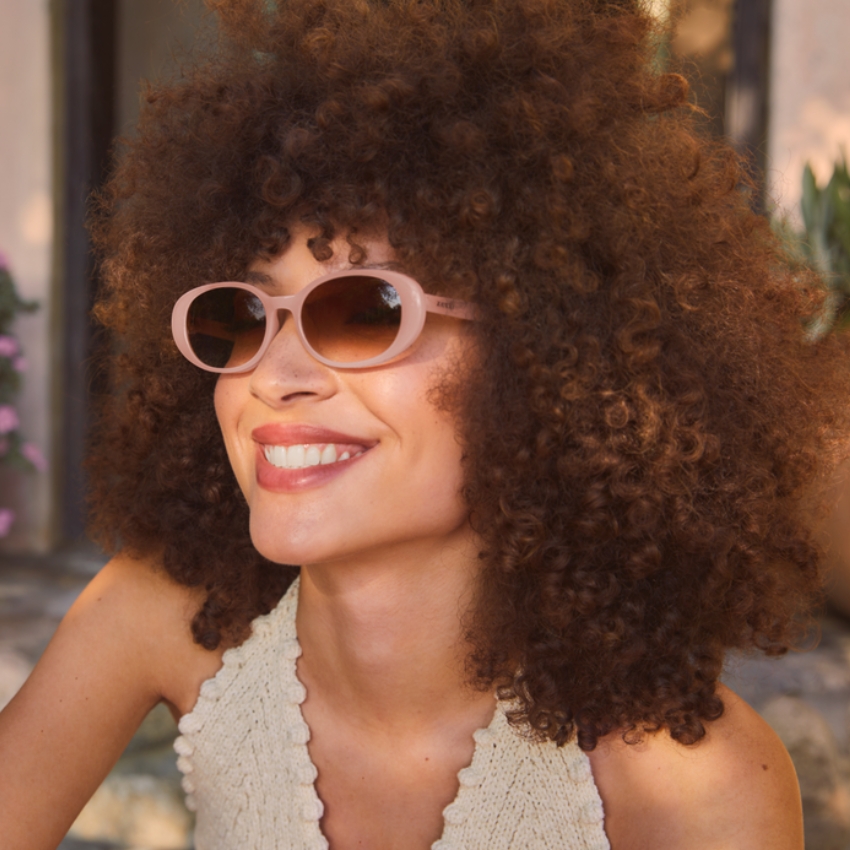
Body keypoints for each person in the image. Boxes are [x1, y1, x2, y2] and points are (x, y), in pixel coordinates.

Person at [2, 0, 849, 847]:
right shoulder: (162, 619)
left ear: (545, 359)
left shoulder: (695, 785)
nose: (275, 376)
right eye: (244, 316)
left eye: (364, 311)